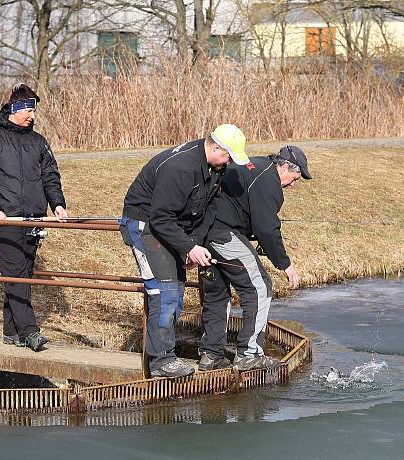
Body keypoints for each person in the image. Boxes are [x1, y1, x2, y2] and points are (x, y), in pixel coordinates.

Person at [120, 124, 250, 378]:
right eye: (227, 156)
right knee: (164, 291)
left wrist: (195, 245)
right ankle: (161, 362)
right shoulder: (180, 168)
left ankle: (165, 355)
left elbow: (208, 209)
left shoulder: (215, 168)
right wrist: (189, 247)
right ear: (215, 147)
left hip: (170, 226)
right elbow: (160, 217)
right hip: (145, 224)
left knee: (176, 293)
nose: (229, 162)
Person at [0, 84, 68, 352]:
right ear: (14, 110)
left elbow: (50, 176)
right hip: (6, 221)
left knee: (21, 273)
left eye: (34, 111)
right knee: (16, 275)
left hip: (34, 220)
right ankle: (30, 331)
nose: (32, 116)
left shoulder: (38, 142)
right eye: (28, 110)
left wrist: (57, 204)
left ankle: (11, 331)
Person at [198, 145, 312, 371]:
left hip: (203, 231)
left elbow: (248, 213)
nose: (293, 184)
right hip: (223, 233)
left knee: (217, 292)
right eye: (295, 178)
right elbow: (267, 229)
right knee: (260, 287)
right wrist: (285, 264)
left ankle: (211, 355)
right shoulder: (269, 182)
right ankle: (249, 354)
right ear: (285, 168)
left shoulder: (257, 164)